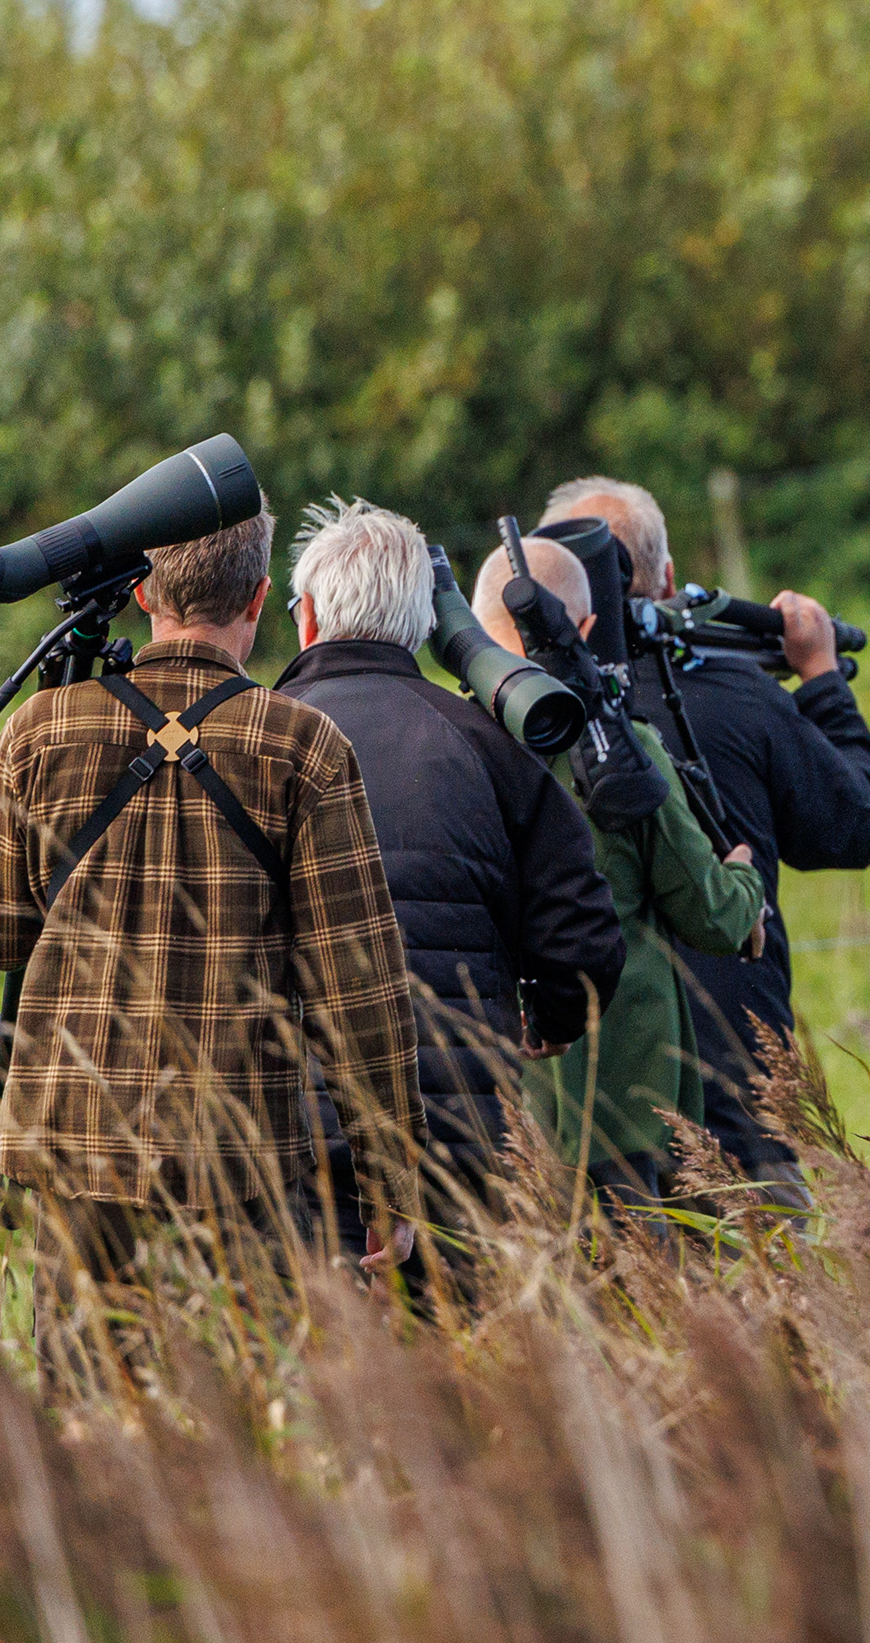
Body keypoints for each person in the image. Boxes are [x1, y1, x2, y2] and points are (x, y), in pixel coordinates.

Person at [0, 492, 421, 1386]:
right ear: (259, 601)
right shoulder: (306, 746)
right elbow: (358, 985)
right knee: (240, 1421)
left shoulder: (41, 729)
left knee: (89, 1411)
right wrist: (389, 1182)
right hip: (239, 1149)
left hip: (73, 1144)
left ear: (141, 596)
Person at [275, 499, 626, 1245]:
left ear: (306, 618)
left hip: (288, 1136)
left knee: (300, 1355)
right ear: (427, 624)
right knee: (460, 1355)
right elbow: (584, 931)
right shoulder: (488, 743)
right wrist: (554, 1018)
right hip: (459, 1139)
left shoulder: (249, 740)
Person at [541, 475, 870, 1194]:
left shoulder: (522, 721)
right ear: (666, 580)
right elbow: (854, 828)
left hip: (584, 1130)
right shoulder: (742, 696)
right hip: (739, 1113)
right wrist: (820, 674)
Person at [470, 533, 765, 1210]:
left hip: (495, 1116)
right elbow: (716, 916)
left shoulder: (449, 747)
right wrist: (745, 881)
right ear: (587, 628)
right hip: (628, 1115)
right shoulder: (624, 754)